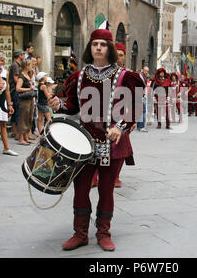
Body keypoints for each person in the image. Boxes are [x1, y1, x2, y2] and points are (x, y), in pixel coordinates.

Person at [49, 29, 144, 252]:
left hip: (113, 143)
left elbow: (135, 108)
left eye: (103, 44)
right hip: (83, 142)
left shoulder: (126, 76)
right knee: (80, 189)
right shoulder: (79, 76)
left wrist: (120, 127)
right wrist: (58, 105)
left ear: (109, 48)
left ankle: (103, 233)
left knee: (106, 190)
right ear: (89, 48)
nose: (98, 47)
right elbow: (71, 106)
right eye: (94, 44)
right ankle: (80, 234)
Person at [0, 52, 18, 156]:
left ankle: (6, 147)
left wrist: (10, 104)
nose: (0, 62)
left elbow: (7, 90)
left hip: (2, 100)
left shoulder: (5, 72)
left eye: (2, 60)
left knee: (3, 123)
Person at [16, 59, 35, 145]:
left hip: (29, 99)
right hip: (24, 99)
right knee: (23, 117)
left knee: (29, 117)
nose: (31, 67)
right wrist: (29, 89)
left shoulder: (27, 75)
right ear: (26, 66)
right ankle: (21, 138)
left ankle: (26, 136)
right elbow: (18, 88)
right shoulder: (22, 76)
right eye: (30, 65)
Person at [9, 49, 24, 140]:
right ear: (19, 55)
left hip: (15, 90)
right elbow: (16, 78)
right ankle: (16, 132)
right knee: (17, 112)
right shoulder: (15, 65)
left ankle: (15, 132)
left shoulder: (17, 65)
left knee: (16, 112)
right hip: (15, 90)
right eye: (22, 54)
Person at [137, 66, 149, 132]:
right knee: (143, 111)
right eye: (145, 71)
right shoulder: (140, 76)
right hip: (140, 95)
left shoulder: (143, 77)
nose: (146, 72)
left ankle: (139, 126)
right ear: (142, 70)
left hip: (142, 95)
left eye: (147, 71)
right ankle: (141, 126)